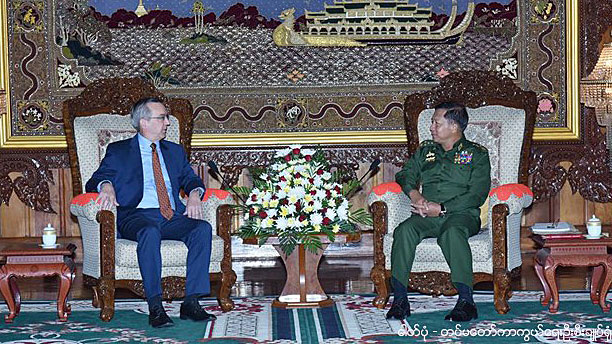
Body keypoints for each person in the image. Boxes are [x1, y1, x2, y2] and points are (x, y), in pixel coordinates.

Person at [86, 97, 216, 328]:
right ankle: (155, 306)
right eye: (162, 117)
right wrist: (106, 185)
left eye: (167, 117)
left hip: (170, 215)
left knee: (201, 229)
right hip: (136, 216)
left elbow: (191, 179)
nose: (167, 122)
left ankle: (191, 302)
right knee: (149, 231)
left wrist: (195, 193)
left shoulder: (174, 151)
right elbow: (95, 179)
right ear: (144, 122)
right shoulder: (119, 150)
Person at [387, 102, 490, 322]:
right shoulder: (426, 150)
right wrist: (415, 195)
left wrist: (443, 208)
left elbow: (477, 194)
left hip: (462, 215)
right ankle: (400, 300)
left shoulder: (477, 154)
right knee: (404, 230)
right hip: (427, 214)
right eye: (432, 122)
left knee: (452, 233)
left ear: (454, 127)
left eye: (436, 122)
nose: (431, 127)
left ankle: (466, 301)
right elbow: (405, 175)